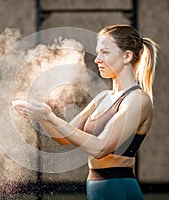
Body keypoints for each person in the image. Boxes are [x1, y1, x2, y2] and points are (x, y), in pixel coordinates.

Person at [12, 24, 158, 200]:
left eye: (105, 52)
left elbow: (100, 148)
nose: (97, 59)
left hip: (119, 188)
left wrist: (50, 117)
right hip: (97, 188)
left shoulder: (138, 100)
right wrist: (43, 117)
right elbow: (63, 137)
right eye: (98, 52)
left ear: (127, 56)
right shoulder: (103, 97)